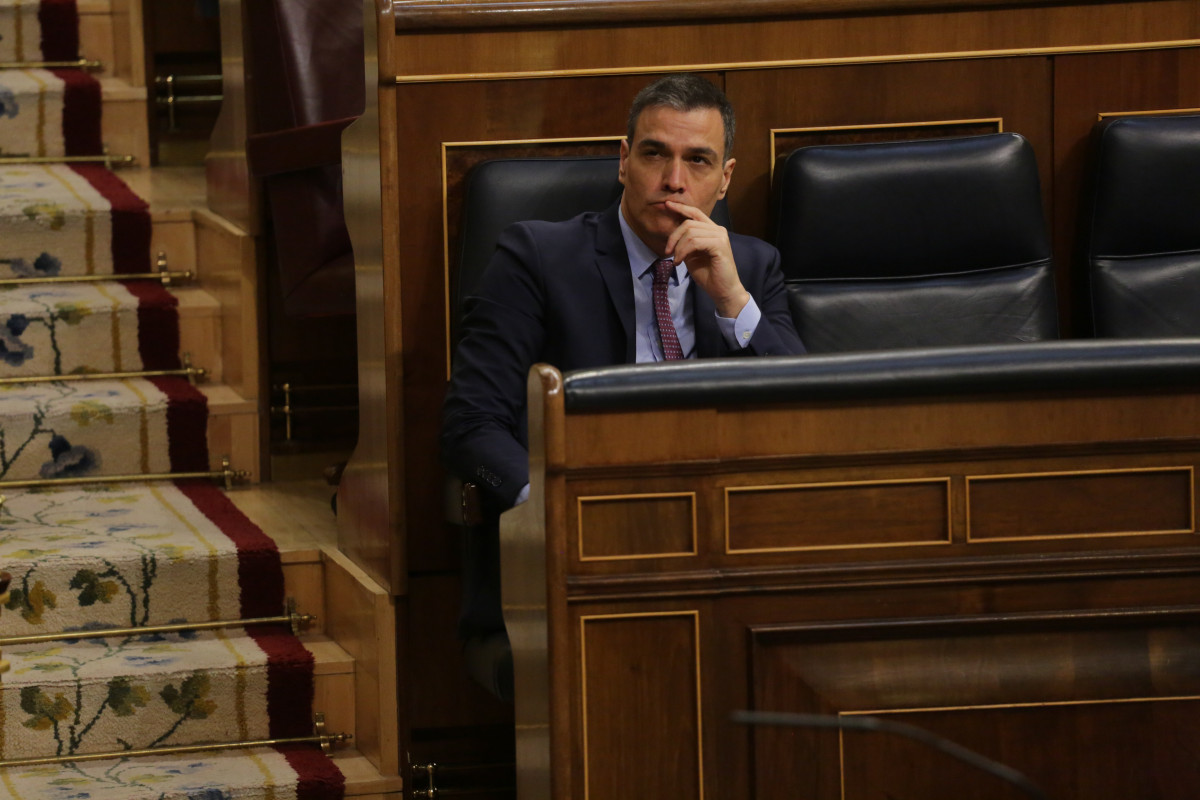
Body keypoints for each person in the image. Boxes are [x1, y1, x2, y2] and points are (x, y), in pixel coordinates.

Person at [441, 74, 806, 697]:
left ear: (725, 178)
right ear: (623, 160)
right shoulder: (537, 256)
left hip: (725, 535)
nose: (673, 180)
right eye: (654, 153)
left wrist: (731, 298)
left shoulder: (752, 267)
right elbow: (472, 422)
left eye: (698, 161)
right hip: (586, 534)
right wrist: (552, 503)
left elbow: (805, 412)